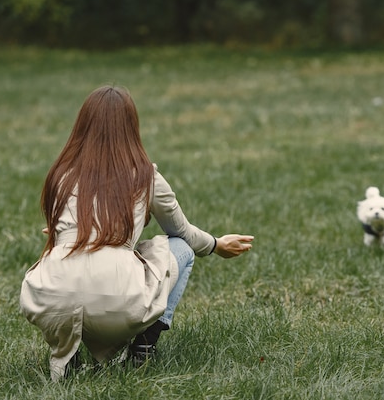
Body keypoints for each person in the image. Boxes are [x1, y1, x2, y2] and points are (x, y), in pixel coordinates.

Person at [19, 85, 254, 381]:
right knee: (179, 247)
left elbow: (58, 229)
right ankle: (143, 348)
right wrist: (217, 244)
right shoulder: (145, 175)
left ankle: (68, 357)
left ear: (82, 125)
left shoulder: (61, 174)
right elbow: (181, 232)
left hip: (49, 300)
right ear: (131, 126)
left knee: (73, 270)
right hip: (116, 302)